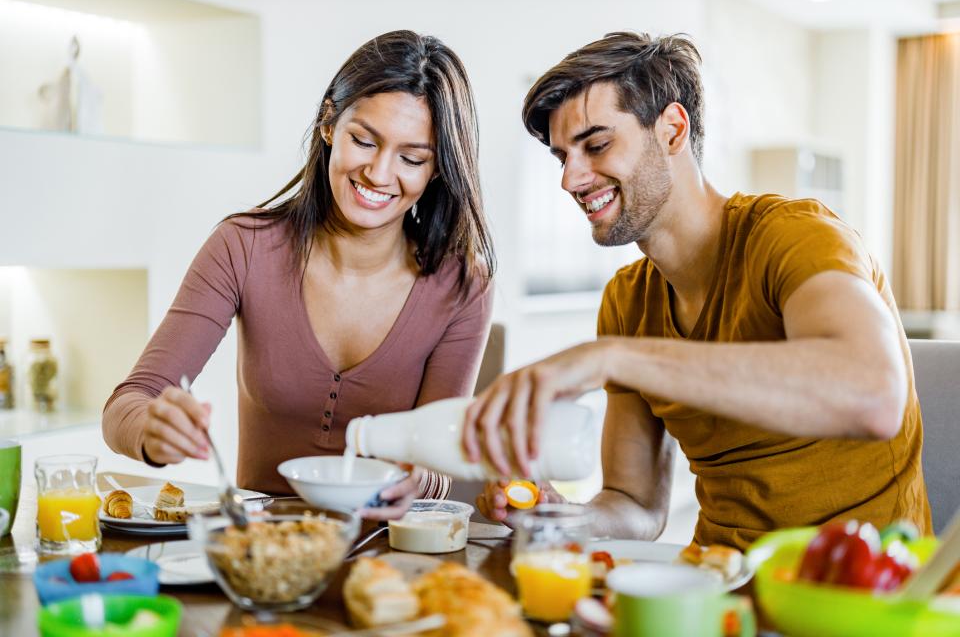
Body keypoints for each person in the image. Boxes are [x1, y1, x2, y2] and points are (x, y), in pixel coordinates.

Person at [464, 32, 930, 550]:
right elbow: (636, 505)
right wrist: (560, 515)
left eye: (596, 145)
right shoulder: (628, 299)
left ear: (672, 129)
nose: (570, 179)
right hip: (718, 587)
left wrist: (615, 357)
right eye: (562, 157)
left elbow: (873, 395)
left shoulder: (795, 236)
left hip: (860, 592)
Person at [103, 30, 495, 520]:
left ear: (437, 169)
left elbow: (440, 461)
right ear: (330, 123)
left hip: (387, 551)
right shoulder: (242, 246)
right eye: (363, 140)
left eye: (412, 158)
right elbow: (127, 403)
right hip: (264, 550)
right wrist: (151, 430)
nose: (378, 173)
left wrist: (418, 476)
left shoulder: (462, 284)